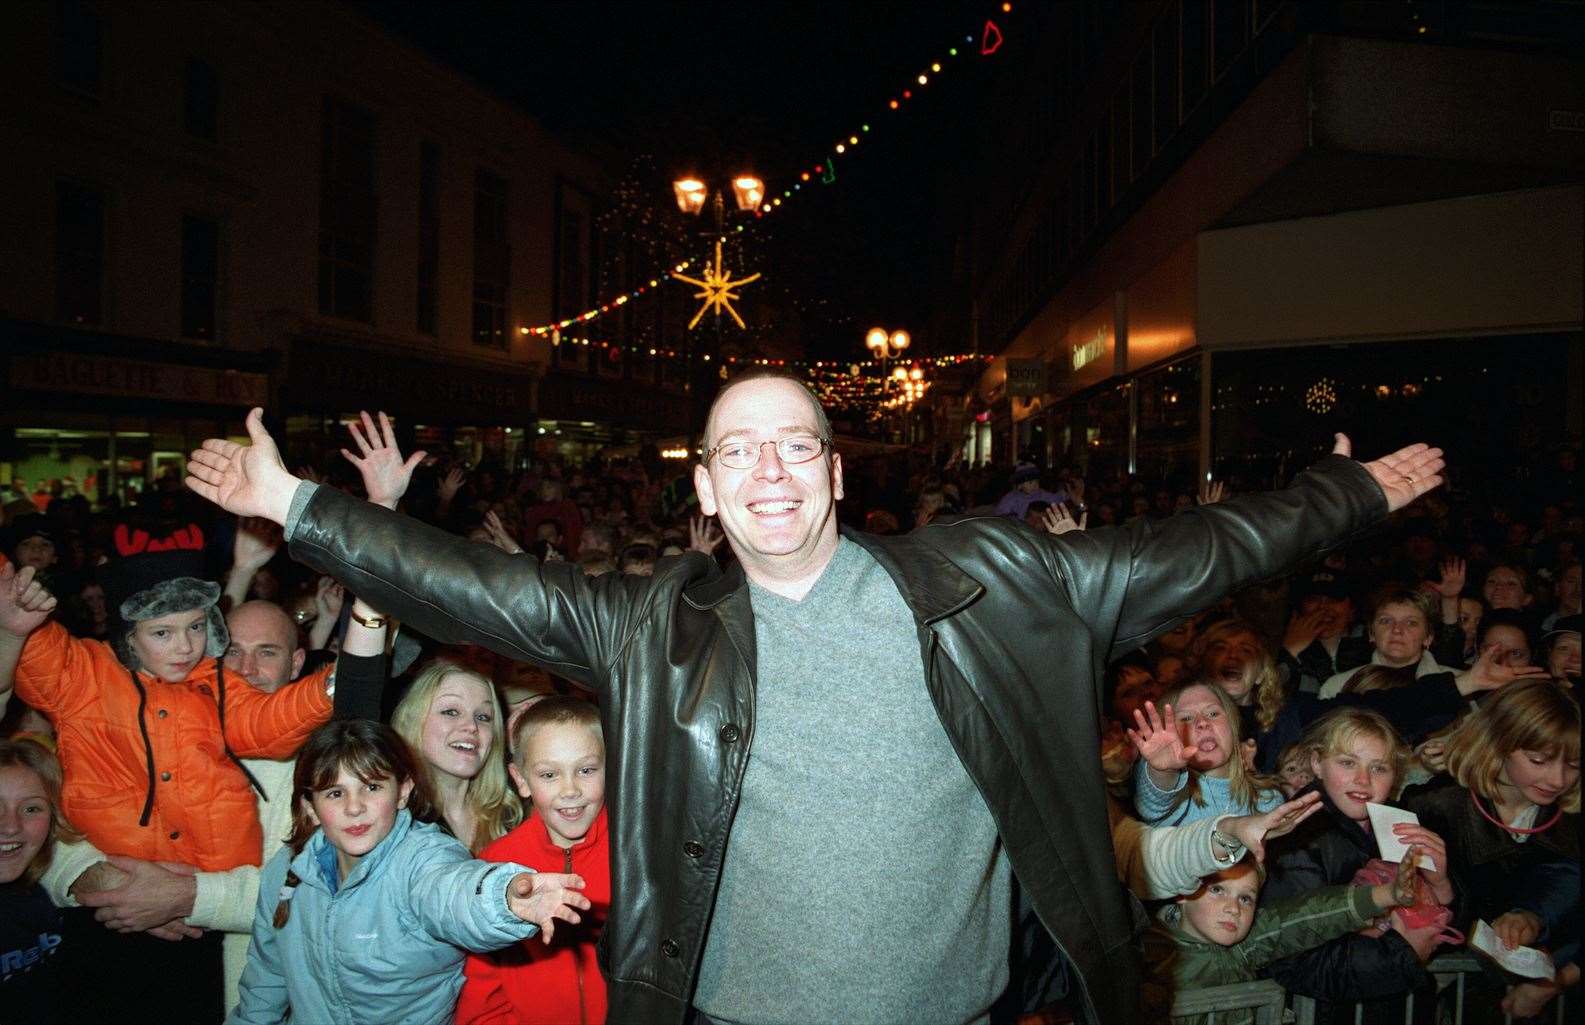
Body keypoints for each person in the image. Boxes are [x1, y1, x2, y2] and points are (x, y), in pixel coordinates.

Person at [185, 386, 1445, 1025]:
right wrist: (302, 508)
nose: (770, 469)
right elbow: (475, 581)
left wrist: (1348, 496)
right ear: (705, 488)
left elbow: (1198, 546)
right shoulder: (651, 623)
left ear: (835, 469)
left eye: (794, 444)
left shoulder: (997, 581)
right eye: (738, 449)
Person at [228, 719, 590, 1025]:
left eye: (372, 787)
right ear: (310, 807)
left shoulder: (423, 858)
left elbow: (451, 892)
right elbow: (266, 977)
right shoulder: (286, 871)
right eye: (335, 793)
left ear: (403, 791)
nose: (355, 808)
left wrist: (505, 899)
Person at [1400, 678, 1580, 1021]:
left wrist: (1555, 975)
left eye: (1573, 765)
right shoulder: (1436, 808)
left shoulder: (1573, 821)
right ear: (1499, 743)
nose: (1558, 780)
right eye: (1538, 760)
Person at [1261, 709, 1458, 1022]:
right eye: (1347, 762)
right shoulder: (1296, 837)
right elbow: (1294, 959)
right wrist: (1402, 952)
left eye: (1379, 768)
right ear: (1316, 764)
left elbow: (1450, 938)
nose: (1364, 780)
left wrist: (1441, 886)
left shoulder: (1399, 823)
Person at [457, 696, 611, 1025]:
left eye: (585, 770)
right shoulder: (497, 866)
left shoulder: (635, 853)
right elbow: (482, 982)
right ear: (522, 780)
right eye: (549, 775)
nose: (570, 790)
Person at [1142, 850, 1422, 1025]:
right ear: (1182, 893)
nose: (1233, 908)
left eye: (1246, 898)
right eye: (1217, 890)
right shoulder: (1153, 961)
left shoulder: (1245, 944)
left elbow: (1303, 917)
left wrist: (1385, 895)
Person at [391, 658, 520, 853]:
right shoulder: (393, 819)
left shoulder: (513, 816)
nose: (471, 726)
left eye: (483, 717)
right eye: (451, 712)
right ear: (413, 721)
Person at [1128, 685, 1284, 827]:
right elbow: (1153, 802)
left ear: (1233, 725)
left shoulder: (1268, 800)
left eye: (1213, 713)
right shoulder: (1174, 802)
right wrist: (1163, 770)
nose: (1202, 722)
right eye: (1186, 718)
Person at [1318, 588, 1447, 698]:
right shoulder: (1337, 687)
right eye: (1386, 621)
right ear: (1371, 633)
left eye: (1411, 623)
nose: (1397, 629)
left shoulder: (1459, 684)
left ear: (1428, 637)